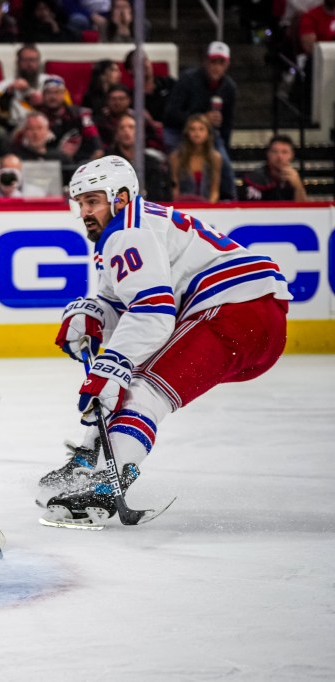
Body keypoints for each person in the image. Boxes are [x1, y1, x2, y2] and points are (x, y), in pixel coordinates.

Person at [38, 155, 291, 526]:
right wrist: (92, 315)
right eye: (80, 204)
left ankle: (107, 485)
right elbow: (121, 304)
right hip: (252, 317)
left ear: (120, 197)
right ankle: (88, 459)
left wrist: (113, 365)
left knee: (142, 387)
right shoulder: (131, 227)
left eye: (92, 201)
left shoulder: (128, 231)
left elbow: (152, 312)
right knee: (136, 374)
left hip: (234, 312)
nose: (85, 213)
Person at [162, 41, 237, 199]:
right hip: (178, 129)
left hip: (209, 132)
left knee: (224, 163)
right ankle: (179, 199)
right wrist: (199, 120)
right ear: (205, 62)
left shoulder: (229, 87)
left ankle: (229, 201)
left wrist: (223, 143)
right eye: (213, 62)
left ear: (227, 64)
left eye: (221, 62)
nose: (216, 67)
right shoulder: (188, 80)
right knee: (178, 162)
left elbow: (228, 123)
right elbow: (170, 114)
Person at [0, 43, 66, 129]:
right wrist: (9, 93)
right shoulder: (3, 85)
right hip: (16, 127)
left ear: (39, 62)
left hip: (48, 126)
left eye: (33, 60)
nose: (29, 64)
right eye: (25, 60)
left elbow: (66, 108)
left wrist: (43, 101)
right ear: (18, 62)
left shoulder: (53, 81)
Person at [37, 76, 103, 165]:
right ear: (43, 95)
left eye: (57, 92)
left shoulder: (79, 115)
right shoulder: (37, 118)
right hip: (48, 165)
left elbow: (95, 140)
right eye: (48, 93)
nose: (52, 97)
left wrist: (95, 156)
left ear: (64, 94)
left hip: (79, 166)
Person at [106, 114, 171, 202]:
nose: (126, 131)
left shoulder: (153, 163)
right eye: (122, 128)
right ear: (116, 135)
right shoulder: (108, 162)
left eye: (131, 127)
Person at [168, 113, 222, 203]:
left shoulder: (215, 157)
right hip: (183, 206)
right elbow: (175, 188)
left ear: (208, 133)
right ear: (187, 132)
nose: (197, 133)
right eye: (193, 129)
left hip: (208, 207)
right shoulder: (176, 157)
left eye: (201, 129)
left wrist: (209, 208)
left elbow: (215, 190)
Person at [239, 134, 308, 202]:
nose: (279, 156)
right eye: (275, 152)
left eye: (284, 152)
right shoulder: (255, 179)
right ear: (268, 154)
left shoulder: (295, 177)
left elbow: (303, 210)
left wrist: (298, 187)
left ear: (292, 155)